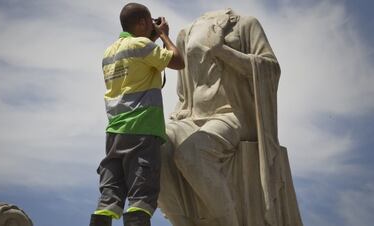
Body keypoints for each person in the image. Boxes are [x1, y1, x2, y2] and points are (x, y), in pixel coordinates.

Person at [158, 9, 301, 226]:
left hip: (234, 115)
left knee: (192, 153)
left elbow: (270, 69)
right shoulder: (185, 33)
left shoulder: (246, 24)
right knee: (153, 145)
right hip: (194, 117)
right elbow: (184, 92)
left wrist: (221, 50)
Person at [90, 2, 184, 226]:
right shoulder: (142, 45)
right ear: (142, 22)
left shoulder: (110, 51)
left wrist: (150, 38)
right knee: (141, 197)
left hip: (115, 132)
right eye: (149, 21)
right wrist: (164, 36)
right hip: (141, 129)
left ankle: (101, 218)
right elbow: (179, 61)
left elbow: (139, 59)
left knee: (109, 197)